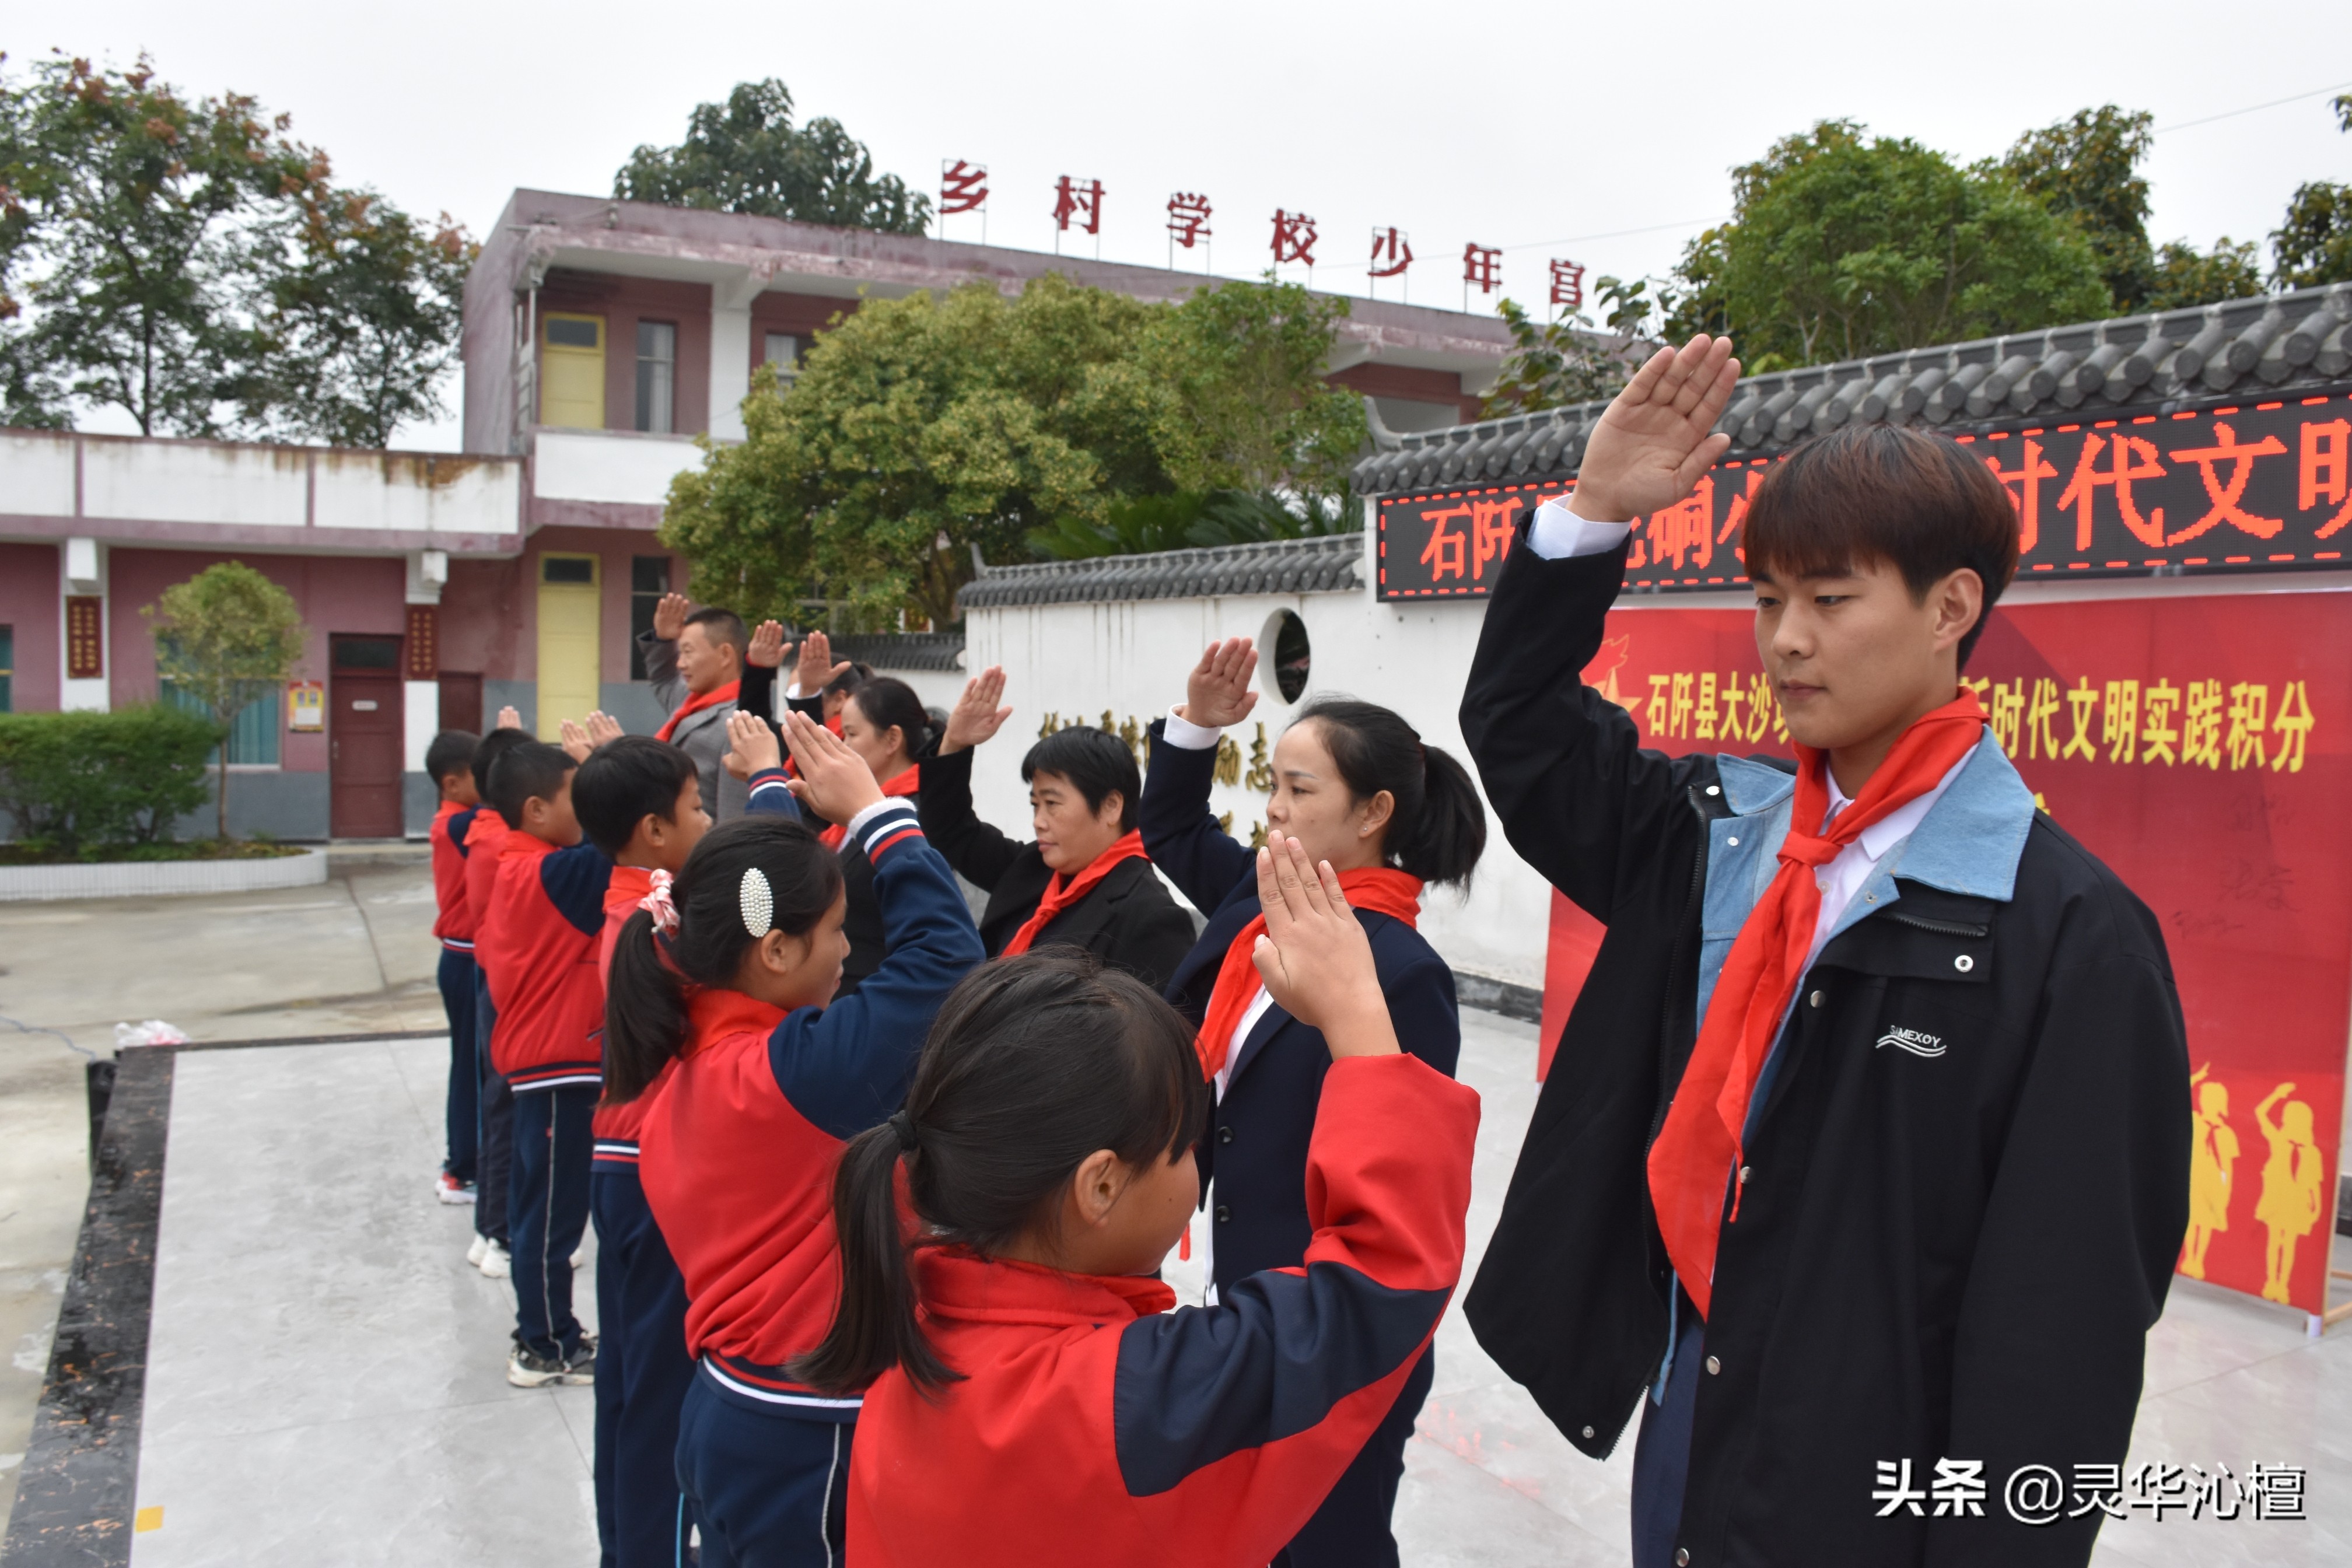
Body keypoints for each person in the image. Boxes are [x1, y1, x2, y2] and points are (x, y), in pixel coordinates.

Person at [1457, 334, 2191, 1567]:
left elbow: (2058, 1335)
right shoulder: (1709, 837)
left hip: (1877, 1469)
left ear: (1952, 606)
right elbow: (1521, 732)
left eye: (1831, 600)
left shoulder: (2069, 934)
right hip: (1695, 1394)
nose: (1786, 641)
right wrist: (1591, 516)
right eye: (1767, 600)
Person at [797, 836, 1482, 1567]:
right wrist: (1359, 1020)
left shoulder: (912, 1336)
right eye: (1183, 1146)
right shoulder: (1137, 1400)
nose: (1196, 1170)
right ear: (1100, 1185)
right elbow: (1378, 1286)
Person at [602, 713, 984, 1568]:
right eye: (838, 931)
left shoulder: (684, 1056)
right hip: (810, 1427)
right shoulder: (786, 1077)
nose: (849, 952)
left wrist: (777, 791)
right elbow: (948, 964)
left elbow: (755, 881)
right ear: (775, 951)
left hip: (737, 1406)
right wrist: (882, 818)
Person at [1140, 654, 1483, 1568]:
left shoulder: (1401, 976)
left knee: (1324, 1541)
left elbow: (1398, 1177)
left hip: (1326, 1334)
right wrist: (1198, 728)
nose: (1275, 809)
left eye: (1299, 789)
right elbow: (1168, 827)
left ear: (1375, 814)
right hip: (1233, 1301)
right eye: (1274, 785)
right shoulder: (1260, 899)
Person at [916, 666, 1196, 988]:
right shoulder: (1032, 868)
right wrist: (954, 743)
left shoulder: (1150, 916)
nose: (1038, 821)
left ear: (1111, 806)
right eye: (1036, 804)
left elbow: (1153, 1032)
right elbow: (950, 829)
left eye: (1052, 804)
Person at [477, 738, 614, 1388]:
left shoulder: (528, 863)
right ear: (535, 810)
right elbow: (615, 840)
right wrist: (618, 768)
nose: (585, 809)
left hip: (550, 1067)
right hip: (558, 1069)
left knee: (545, 1212)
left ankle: (549, 1330)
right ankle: (543, 1344)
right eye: (575, 797)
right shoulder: (546, 875)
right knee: (554, 1220)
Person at [462, 718, 533, 1280]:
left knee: (497, 1106)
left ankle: (490, 1226)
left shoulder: (485, 832)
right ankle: (501, 1232)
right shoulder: (505, 847)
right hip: (510, 987)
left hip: (497, 980)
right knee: (507, 1110)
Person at [813, 677, 930, 1000]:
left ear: (893, 738)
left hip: (873, 984)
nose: (842, 745)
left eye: (851, 734)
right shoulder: (853, 805)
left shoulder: (916, 815)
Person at [424, 729, 482, 1208]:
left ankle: (465, 1163)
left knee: (475, 1064)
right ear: (452, 784)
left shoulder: (461, 818)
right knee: (470, 1066)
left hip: (464, 957)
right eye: (481, 773)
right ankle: (461, 1170)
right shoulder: (462, 824)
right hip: (464, 959)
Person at [638, 591, 751, 821]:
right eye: (679, 653)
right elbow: (663, 678)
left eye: (688, 653)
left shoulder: (740, 724)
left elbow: (733, 817)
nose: (680, 663)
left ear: (725, 655)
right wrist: (663, 639)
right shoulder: (691, 701)